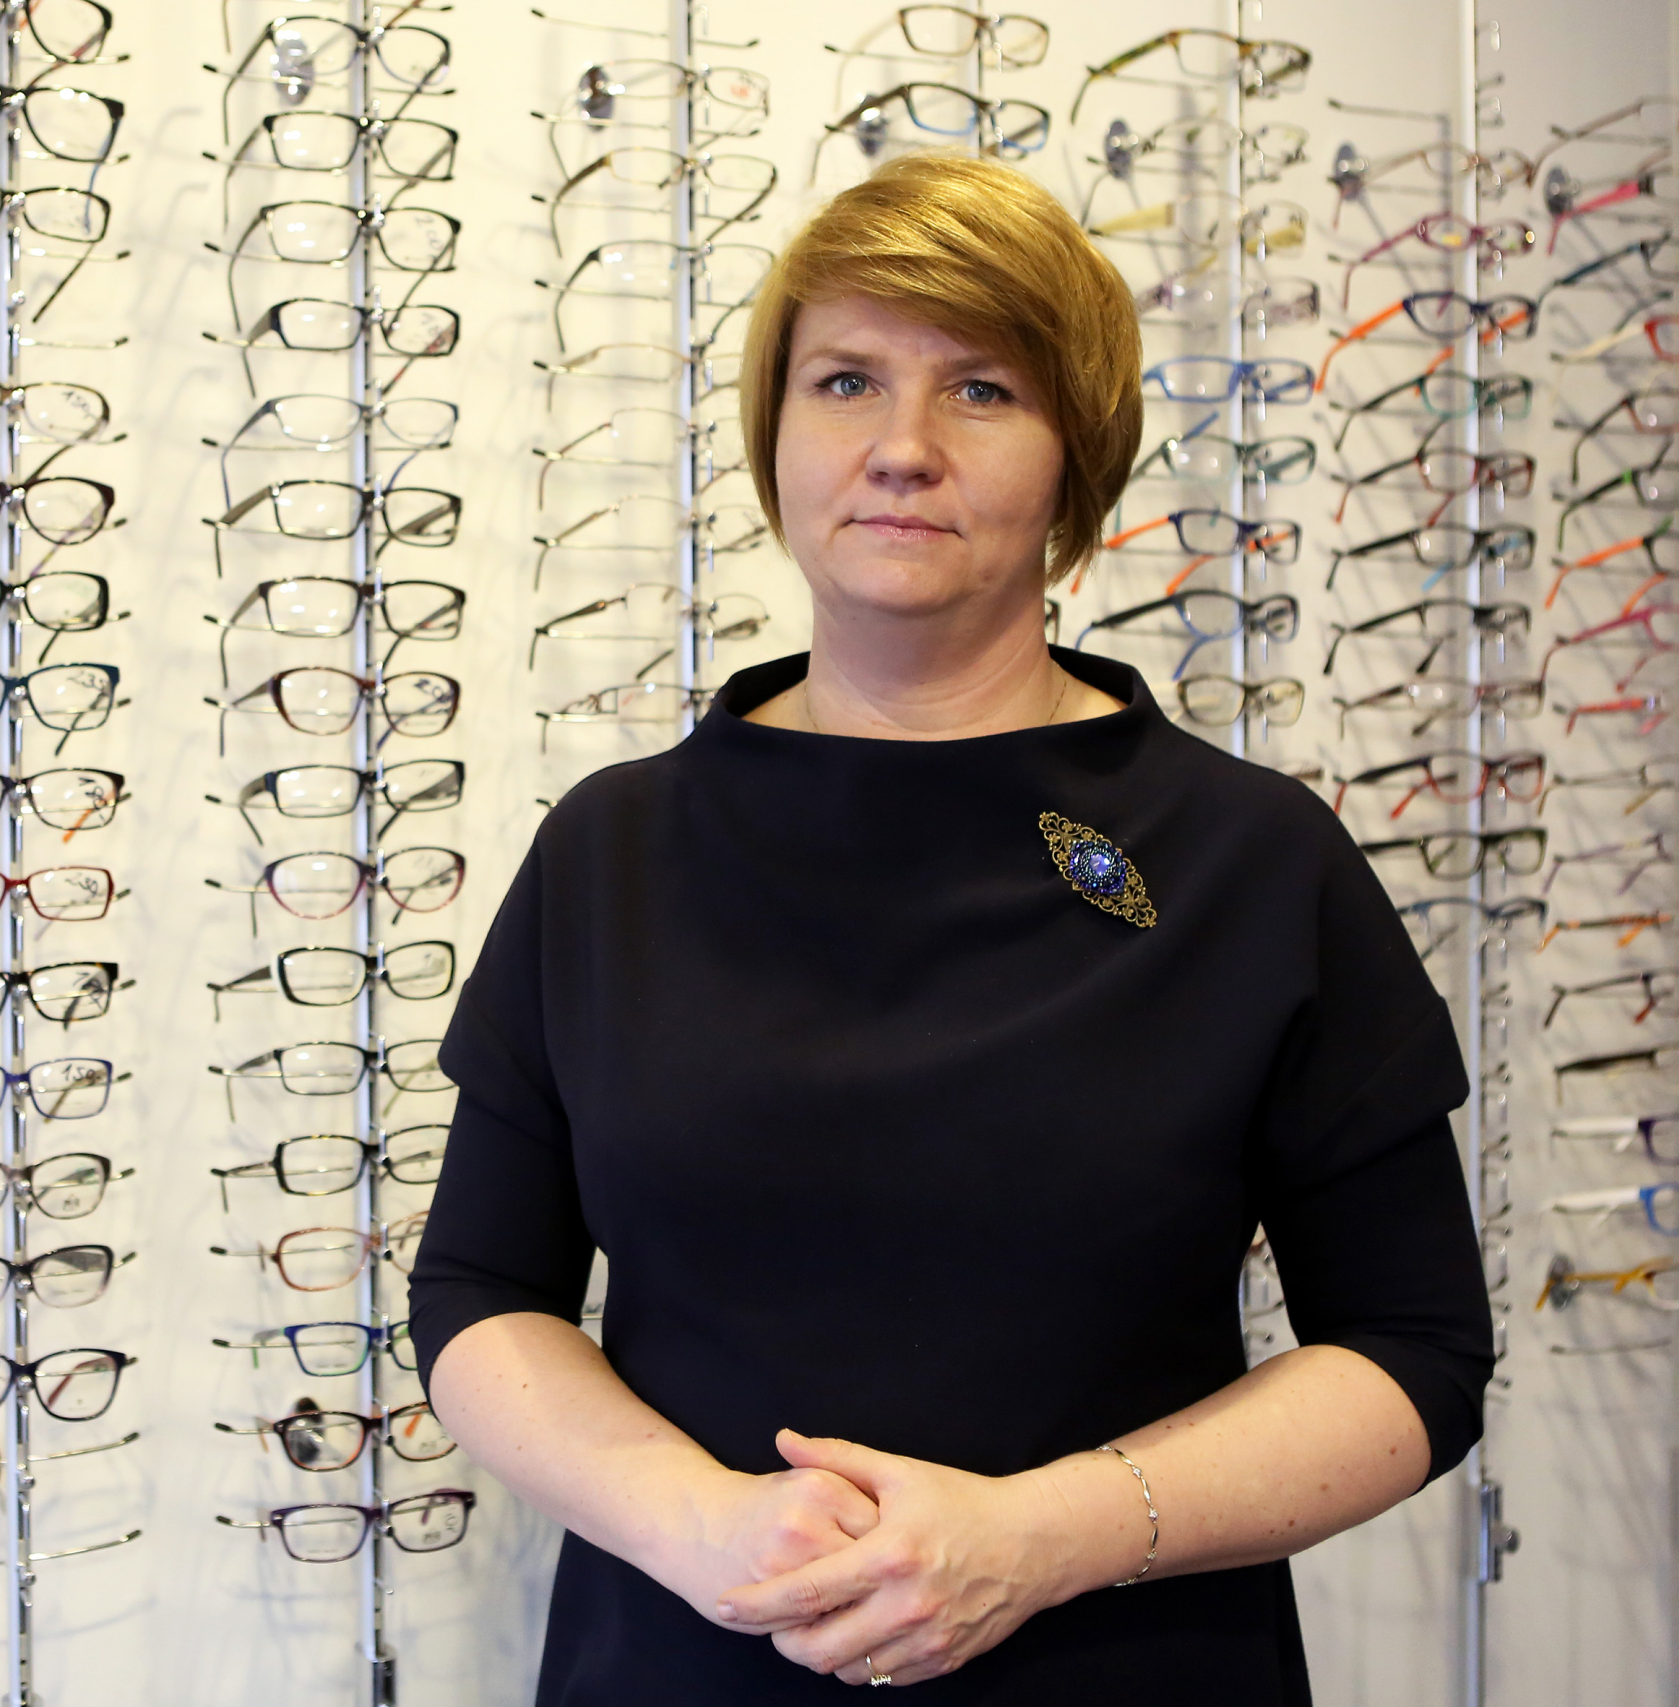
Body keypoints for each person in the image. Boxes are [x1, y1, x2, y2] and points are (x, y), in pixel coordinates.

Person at [406, 153, 1494, 1703]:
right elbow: (478, 1292)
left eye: (981, 390)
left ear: (1075, 454)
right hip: (686, 1661)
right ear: (775, 434)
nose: (903, 449)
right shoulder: (614, 852)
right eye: (846, 381)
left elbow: (1413, 1349)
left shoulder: (1253, 861)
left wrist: (1044, 1537)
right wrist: (698, 1522)